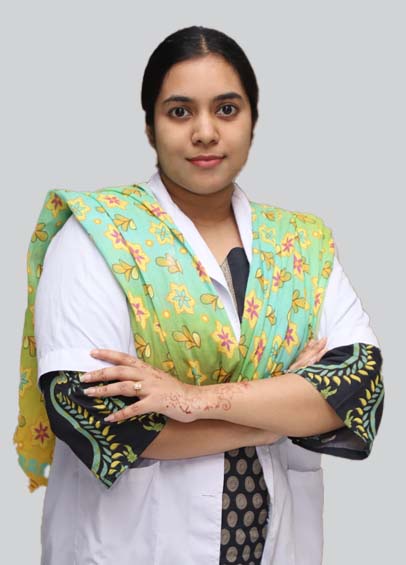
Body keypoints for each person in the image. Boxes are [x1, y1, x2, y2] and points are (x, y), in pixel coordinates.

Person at [14, 26, 384, 565]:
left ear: (253, 120)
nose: (205, 132)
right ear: (150, 126)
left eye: (227, 109)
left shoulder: (302, 247)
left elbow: (356, 390)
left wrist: (191, 401)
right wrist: (284, 411)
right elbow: (94, 416)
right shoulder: (96, 237)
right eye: (180, 111)